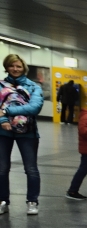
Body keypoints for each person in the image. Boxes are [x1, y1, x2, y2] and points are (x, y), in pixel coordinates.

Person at [0, 53, 44, 216]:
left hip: (28, 132)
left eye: (18, 66)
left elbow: (34, 108)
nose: (15, 69)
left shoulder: (33, 86)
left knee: (31, 168)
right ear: (7, 67)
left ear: (24, 68)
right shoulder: (1, 85)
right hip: (3, 132)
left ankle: (32, 201)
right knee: (2, 169)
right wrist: (3, 120)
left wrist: (6, 110)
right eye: (12, 65)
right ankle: (2, 201)